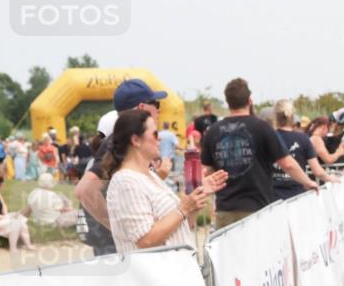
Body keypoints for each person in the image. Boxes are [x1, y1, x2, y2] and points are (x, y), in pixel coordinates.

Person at [201, 77, 319, 229]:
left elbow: (207, 171)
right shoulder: (262, 127)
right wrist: (308, 181)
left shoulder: (213, 131)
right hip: (256, 210)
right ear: (249, 100)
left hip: (225, 209)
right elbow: (287, 164)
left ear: (228, 102)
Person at [104, 110, 227, 254]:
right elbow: (145, 240)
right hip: (154, 268)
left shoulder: (149, 175)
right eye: (155, 134)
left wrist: (196, 197)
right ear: (136, 140)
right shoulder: (126, 183)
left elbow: (180, 227)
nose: (160, 138)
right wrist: (183, 209)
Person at [75, 79, 170, 256]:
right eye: (156, 104)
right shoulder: (118, 142)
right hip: (115, 247)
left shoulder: (126, 140)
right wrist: (116, 227)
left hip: (123, 242)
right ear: (142, 107)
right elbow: (85, 190)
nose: (158, 110)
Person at [271, 99, 330, 200]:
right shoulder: (302, 138)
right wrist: (330, 178)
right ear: (293, 117)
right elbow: (317, 171)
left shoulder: (269, 137)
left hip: (273, 197)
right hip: (297, 195)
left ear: (275, 117)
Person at [0, 175, 34, 252]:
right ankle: (13, 248)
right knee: (16, 224)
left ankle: (28, 245)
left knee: (21, 221)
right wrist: (7, 218)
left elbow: (3, 205)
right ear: (1, 184)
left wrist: (7, 215)